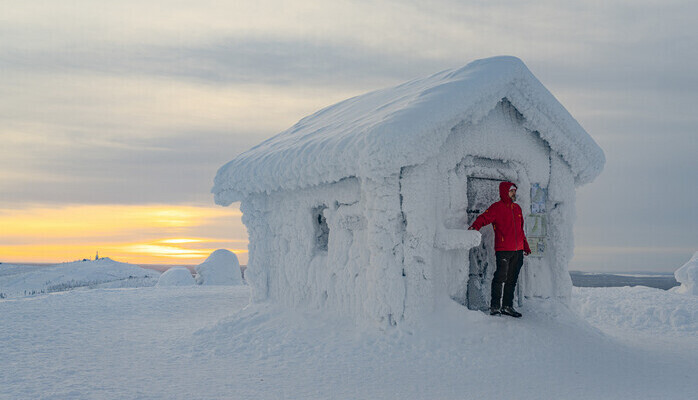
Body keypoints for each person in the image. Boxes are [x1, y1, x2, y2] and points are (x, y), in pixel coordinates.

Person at [468, 181, 531, 317]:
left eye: (514, 191)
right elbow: (484, 218)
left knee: (512, 279)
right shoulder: (497, 208)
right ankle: (495, 306)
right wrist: (474, 227)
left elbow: (520, 230)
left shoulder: (518, 209)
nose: (514, 193)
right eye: (511, 191)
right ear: (504, 192)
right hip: (503, 249)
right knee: (500, 277)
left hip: (518, 250)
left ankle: (507, 306)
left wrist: (525, 246)